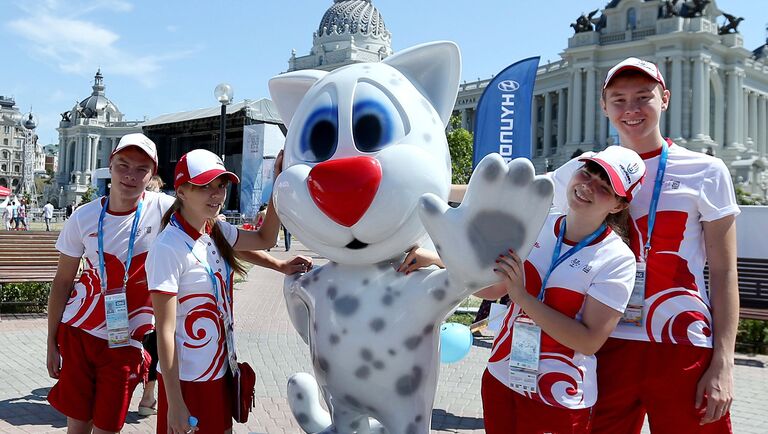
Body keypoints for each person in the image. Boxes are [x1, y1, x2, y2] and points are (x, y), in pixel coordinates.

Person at [550, 57, 739, 433]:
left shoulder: (705, 170)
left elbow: (723, 270)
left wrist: (724, 363)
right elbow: (515, 195)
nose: (631, 109)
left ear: (664, 99)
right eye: (618, 99)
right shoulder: (585, 172)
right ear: (603, 107)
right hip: (605, 341)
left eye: (643, 97)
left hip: (681, 340)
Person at [409, 146, 646, 433]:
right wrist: (439, 260)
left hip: (559, 396)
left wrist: (522, 298)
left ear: (618, 205)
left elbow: (588, 341)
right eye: (587, 173)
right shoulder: (541, 224)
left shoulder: (617, 259)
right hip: (501, 375)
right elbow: (495, 288)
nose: (588, 186)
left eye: (604, 187)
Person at [147, 149, 309, 434]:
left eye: (221, 186)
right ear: (182, 191)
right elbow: (165, 332)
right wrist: (175, 403)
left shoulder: (214, 230)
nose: (216, 194)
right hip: (188, 380)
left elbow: (264, 238)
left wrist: (277, 181)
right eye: (204, 187)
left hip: (221, 369)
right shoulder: (167, 248)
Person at [46, 133, 174, 434]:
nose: (130, 175)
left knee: (108, 427)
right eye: (123, 165)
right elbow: (63, 282)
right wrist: (52, 342)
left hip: (125, 340)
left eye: (141, 169)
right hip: (78, 332)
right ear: (110, 166)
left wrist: (276, 262)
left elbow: (221, 231)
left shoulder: (165, 209)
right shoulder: (83, 217)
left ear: (152, 174)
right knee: (77, 426)